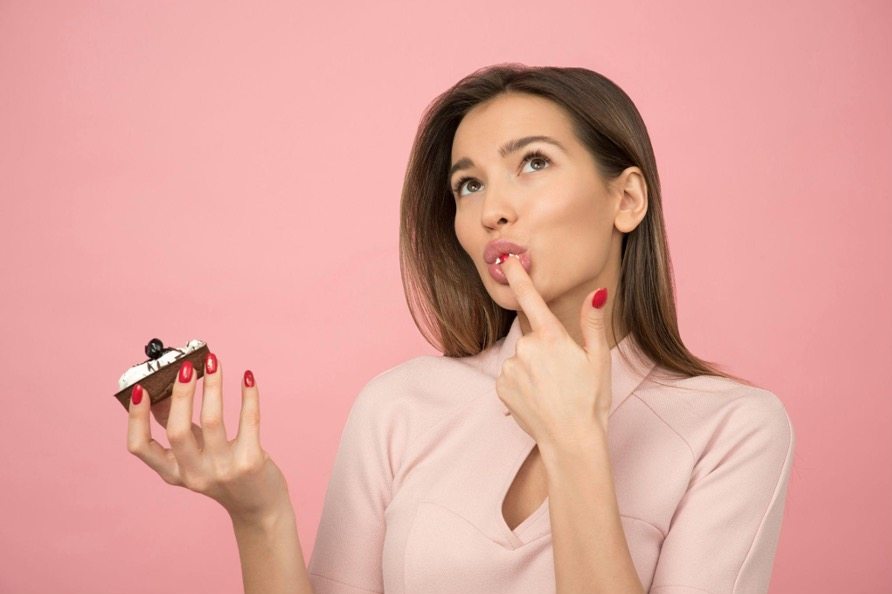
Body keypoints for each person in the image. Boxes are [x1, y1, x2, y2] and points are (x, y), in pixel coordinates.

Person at [126, 63, 795, 594]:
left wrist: (575, 444)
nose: (491, 211)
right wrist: (260, 515)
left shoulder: (734, 429)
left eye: (533, 162)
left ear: (626, 199)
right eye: (468, 185)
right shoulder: (399, 406)